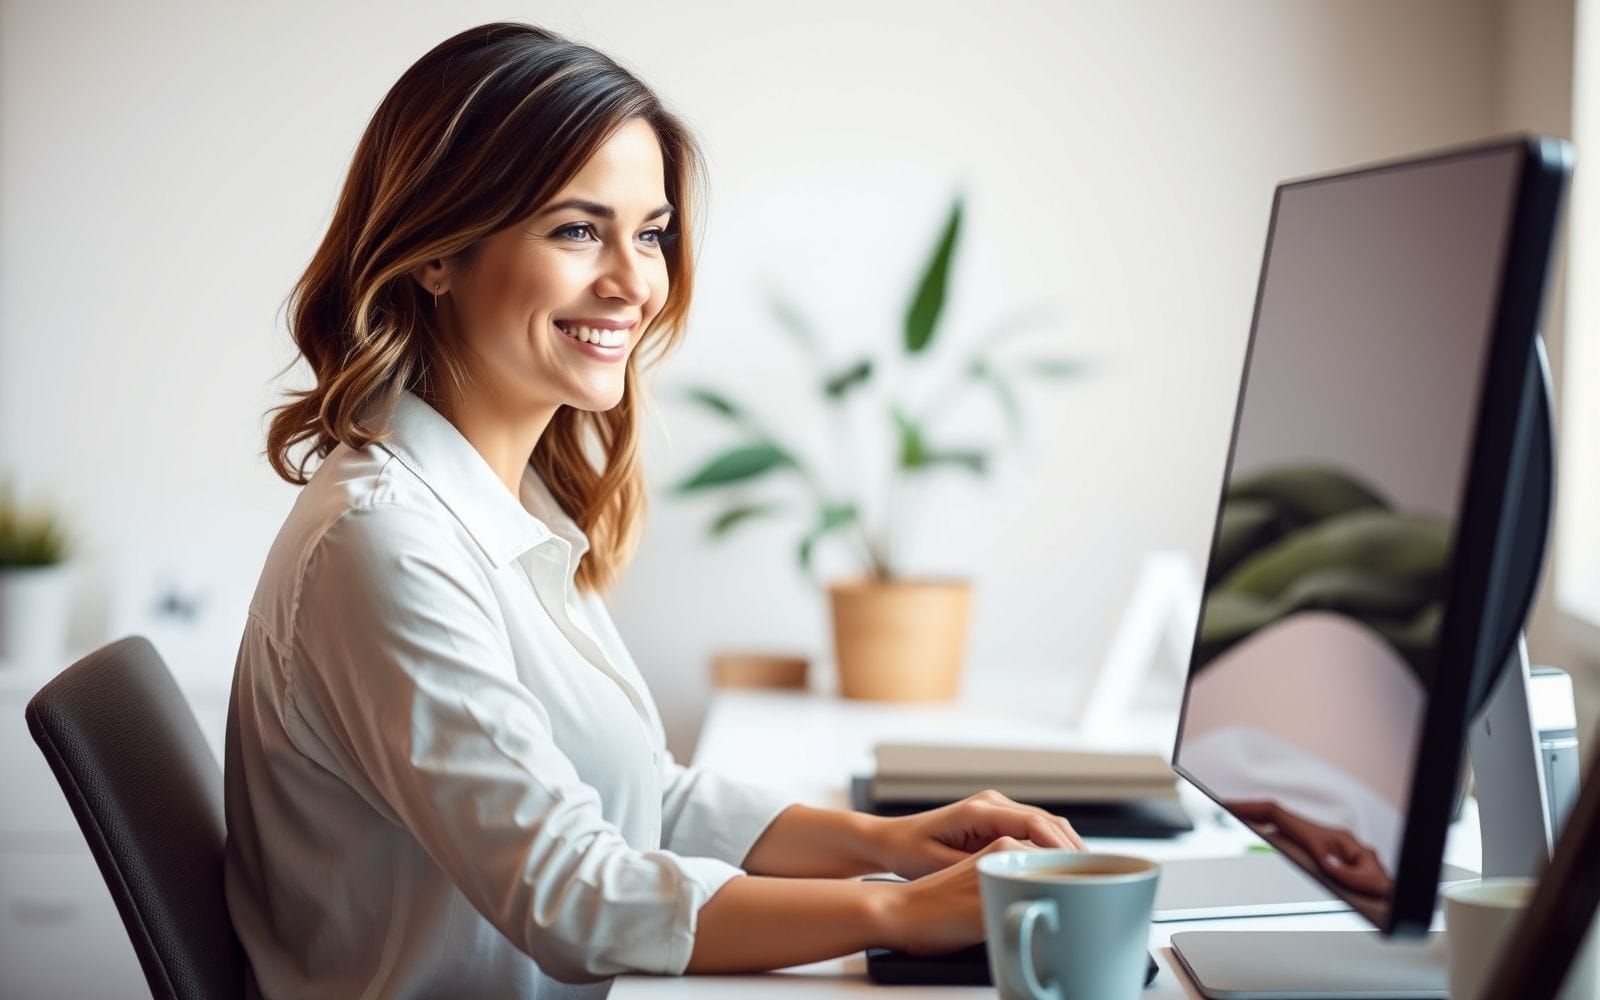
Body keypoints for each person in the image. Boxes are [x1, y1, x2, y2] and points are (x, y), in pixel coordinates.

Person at [225, 21, 1083, 999]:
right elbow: (569, 891)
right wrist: (901, 911)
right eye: (576, 229)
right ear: (437, 252)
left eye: (650, 233)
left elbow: (635, 794)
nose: (635, 283)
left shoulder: (512, 501)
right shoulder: (381, 544)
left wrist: (884, 843)